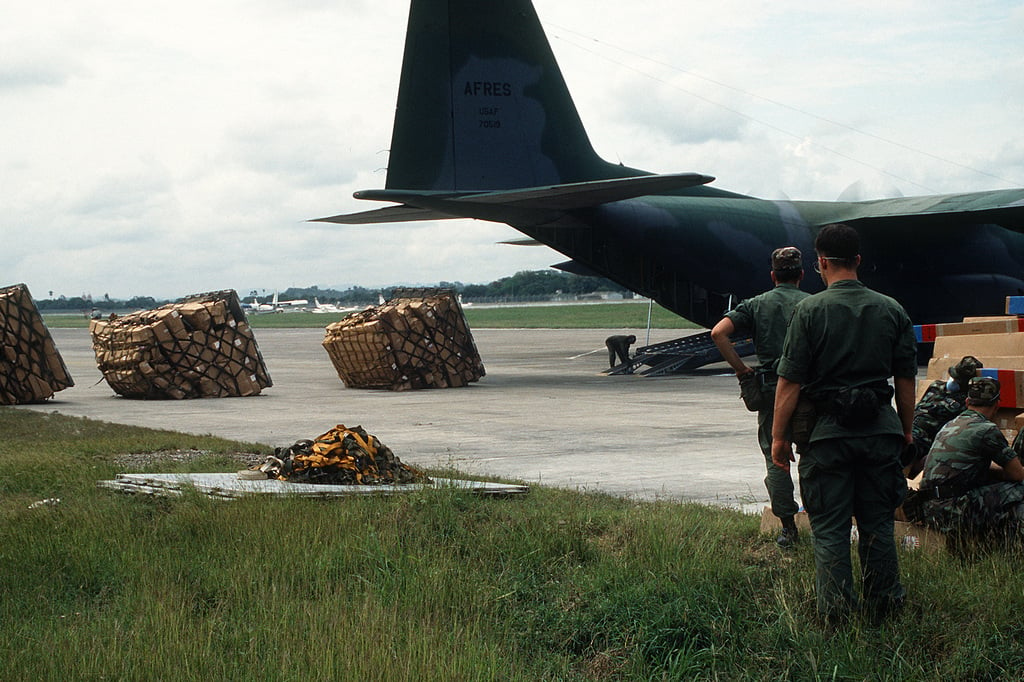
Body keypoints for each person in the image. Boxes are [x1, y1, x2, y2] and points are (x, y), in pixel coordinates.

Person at [771, 223, 917, 626]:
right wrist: (906, 431)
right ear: (857, 260)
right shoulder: (892, 309)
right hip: (880, 433)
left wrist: (779, 438)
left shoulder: (809, 310)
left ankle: (837, 618)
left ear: (820, 263)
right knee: (877, 526)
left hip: (826, 437)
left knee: (831, 528)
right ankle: (886, 609)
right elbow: (906, 379)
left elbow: (790, 382)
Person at [711, 246, 809, 547]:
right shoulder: (813, 304)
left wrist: (742, 370)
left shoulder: (756, 305)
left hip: (770, 392)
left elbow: (718, 333)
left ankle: (789, 529)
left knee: (775, 459)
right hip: (807, 393)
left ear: (772, 275)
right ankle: (820, 520)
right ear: (802, 275)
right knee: (812, 457)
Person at [917, 377, 1024, 549]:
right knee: (1019, 489)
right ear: (997, 405)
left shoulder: (951, 424)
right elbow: (1017, 474)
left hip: (929, 510)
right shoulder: (986, 430)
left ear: (967, 402)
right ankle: (1010, 548)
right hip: (954, 512)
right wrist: (999, 472)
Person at [903, 355, 983, 478]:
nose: (953, 381)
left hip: (922, 441)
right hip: (906, 429)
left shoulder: (965, 402)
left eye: (958, 379)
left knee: (903, 458)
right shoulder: (936, 386)